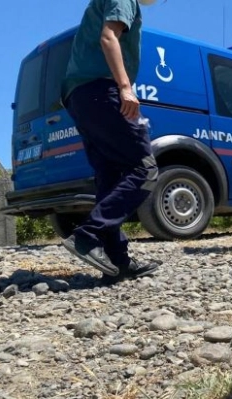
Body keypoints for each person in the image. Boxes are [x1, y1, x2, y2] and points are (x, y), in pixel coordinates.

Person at [60, 0, 160, 282]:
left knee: (111, 176)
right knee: (145, 169)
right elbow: (109, 36)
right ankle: (88, 235)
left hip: (80, 96)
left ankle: (117, 263)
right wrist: (125, 87)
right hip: (101, 90)